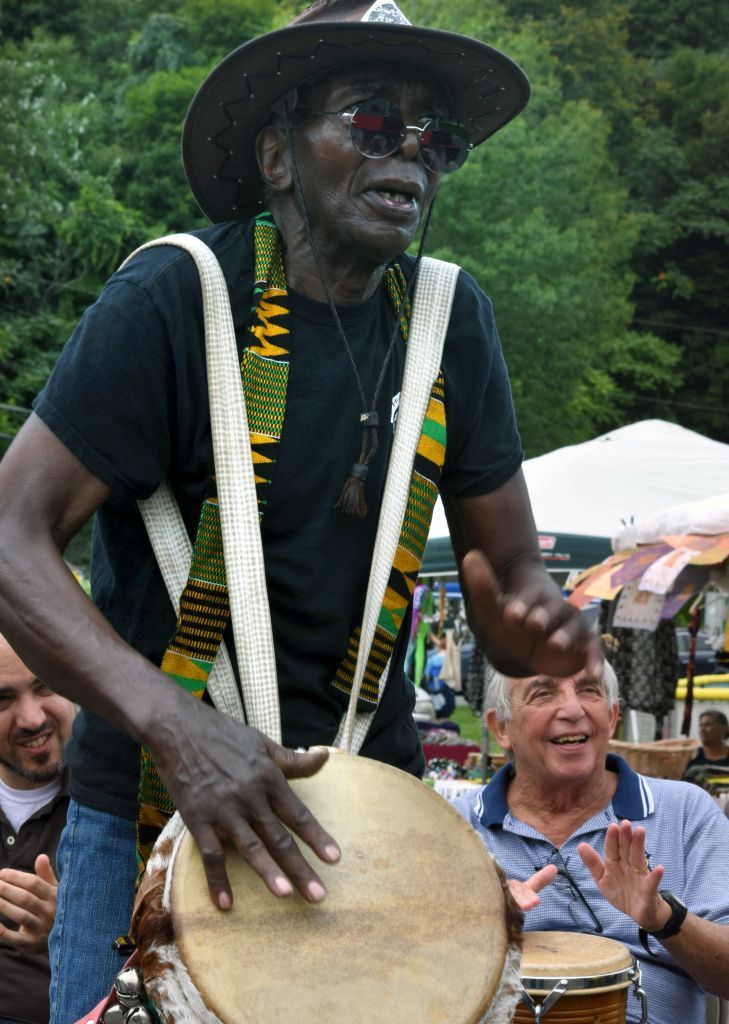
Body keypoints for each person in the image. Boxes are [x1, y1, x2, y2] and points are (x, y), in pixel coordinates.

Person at [0, 0, 601, 1017]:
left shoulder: (451, 320)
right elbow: (11, 535)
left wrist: (526, 621)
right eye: (373, 120)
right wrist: (177, 727)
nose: (410, 152)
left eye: (436, 136)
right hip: (152, 809)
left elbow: (507, 580)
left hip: (372, 818)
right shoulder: (174, 298)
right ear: (278, 155)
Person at [451, 662, 729, 1024]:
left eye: (589, 690)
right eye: (543, 693)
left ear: (611, 717)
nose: (572, 709)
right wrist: (482, 925)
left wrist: (665, 918)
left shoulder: (685, 811)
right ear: (501, 728)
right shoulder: (454, 826)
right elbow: (404, 975)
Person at [0, 634, 75, 1024]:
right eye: (2, 700)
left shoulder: (125, 803)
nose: (32, 719)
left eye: (45, 684)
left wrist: (69, 930)